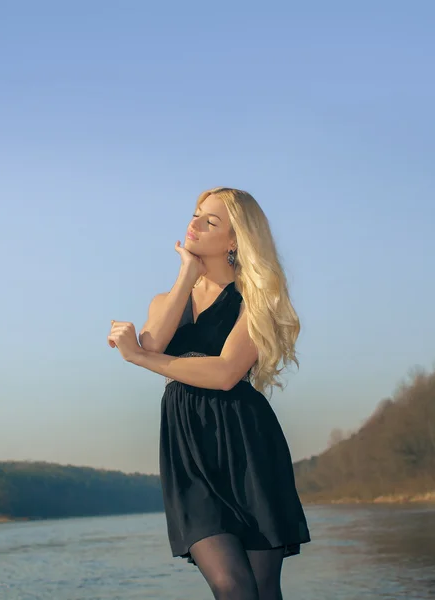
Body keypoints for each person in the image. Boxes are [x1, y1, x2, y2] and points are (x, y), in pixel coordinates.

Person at [107, 187, 311, 600]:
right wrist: (187, 273)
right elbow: (155, 341)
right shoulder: (167, 300)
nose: (194, 224)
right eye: (195, 215)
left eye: (210, 221)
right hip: (188, 448)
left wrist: (140, 360)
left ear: (235, 240)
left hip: (246, 444)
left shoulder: (257, 298)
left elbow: (224, 373)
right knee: (230, 584)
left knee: (261, 587)